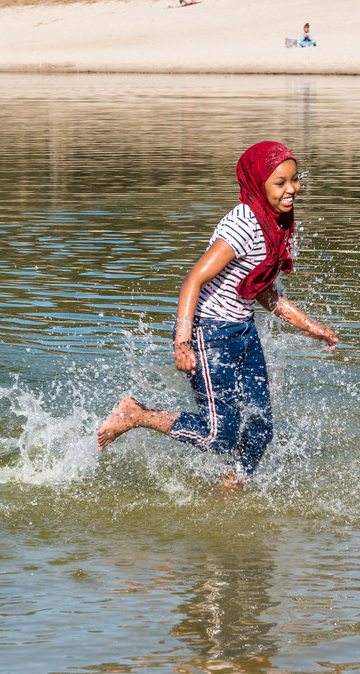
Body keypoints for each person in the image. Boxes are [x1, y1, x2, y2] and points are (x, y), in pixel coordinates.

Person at [95, 142, 338, 491]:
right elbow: (193, 279)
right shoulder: (244, 223)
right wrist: (182, 342)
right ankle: (137, 414)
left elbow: (264, 290)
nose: (291, 189)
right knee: (218, 435)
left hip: (242, 331)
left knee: (260, 429)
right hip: (211, 334)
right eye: (280, 182)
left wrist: (313, 329)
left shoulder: (276, 223)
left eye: (294, 180)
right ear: (259, 183)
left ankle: (228, 491)